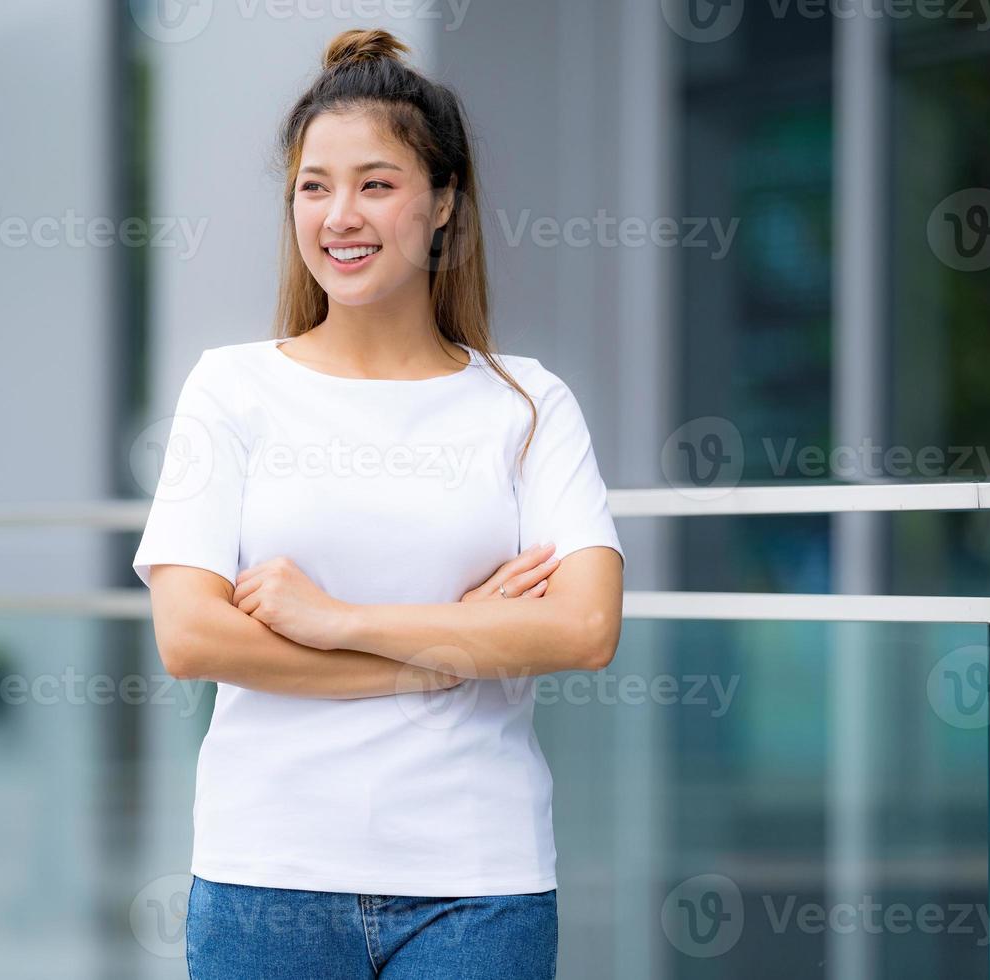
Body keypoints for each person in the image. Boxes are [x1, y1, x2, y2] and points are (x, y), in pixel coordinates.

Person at [132, 27, 625, 979]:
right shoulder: (231, 389)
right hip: (264, 877)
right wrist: (438, 660)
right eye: (313, 185)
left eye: (376, 183)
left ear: (443, 203)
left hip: (477, 882)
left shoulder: (526, 400)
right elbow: (191, 638)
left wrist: (336, 620)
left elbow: (585, 627)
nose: (339, 215)